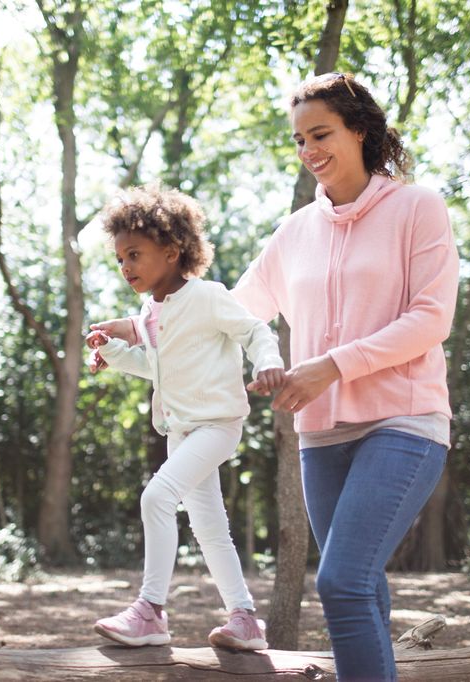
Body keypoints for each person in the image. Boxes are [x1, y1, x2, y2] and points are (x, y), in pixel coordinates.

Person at [91, 73, 459, 681]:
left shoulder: (417, 207)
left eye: (321, 133)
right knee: (362, 588)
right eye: (298, 140)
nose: (309, 150)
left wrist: (333, 365)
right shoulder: (295, 232)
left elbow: (430, 319)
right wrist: (137, 326)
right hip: (321, 434)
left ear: (360, 131)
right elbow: (223, 314)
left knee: (340, 582)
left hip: (404, 420)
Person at [86, 183, 286, 651]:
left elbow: (255, 330)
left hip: (216, 426)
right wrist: (114, 352)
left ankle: (150, 611)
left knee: (156, 497)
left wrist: (268, 361)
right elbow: (153, 366)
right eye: (120, 259)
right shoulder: (150, 310)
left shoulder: (208, 296)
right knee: (210, 529)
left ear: (173, 251)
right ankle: (246, 620)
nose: (125, 267)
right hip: (181, 432)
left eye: (134, 254)